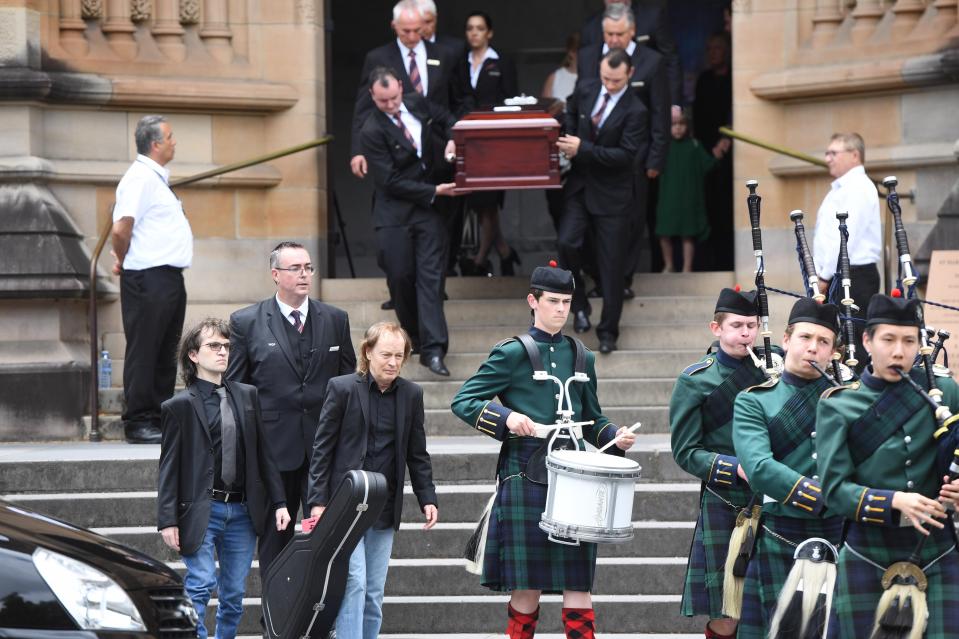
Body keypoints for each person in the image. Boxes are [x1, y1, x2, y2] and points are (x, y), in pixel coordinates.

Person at [450, 263, 637, 639]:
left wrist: (614, 435)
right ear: (533, 301)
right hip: (525, 473)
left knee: (579, 583)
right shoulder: (511, 354)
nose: (561, 309)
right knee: (527, 585)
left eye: (567, 301)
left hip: (577, 477)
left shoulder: (583, 356)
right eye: (553, 301)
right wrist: (506, 417)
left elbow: (593, 418)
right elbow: (464, 400)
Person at [817, 294, 959, 639]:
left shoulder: (945, 391)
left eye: (909, 340)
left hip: (937, 545)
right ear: (867, 341)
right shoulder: (839, 405)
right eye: (889, 340)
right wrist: (893, 501)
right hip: (867, 546)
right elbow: (834, 490)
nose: (899, 351)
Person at [225, 241, 356, 577]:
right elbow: (236, 391)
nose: (304, 274)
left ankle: (319, 623)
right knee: (275, 544)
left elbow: (349, 385)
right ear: (275, 274)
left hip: (324, 452)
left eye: (308, 267)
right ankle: (276, 626)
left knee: (328, 543)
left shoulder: (335, 319)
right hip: (272, 453)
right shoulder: (246, 322)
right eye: (295, 268)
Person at [157, 318, 291, 639]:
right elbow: (169, 466)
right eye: (213, 346)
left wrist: (281, 502)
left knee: (233, 595)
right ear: (193, 355)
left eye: (226, 347)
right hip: (202, 508)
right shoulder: (179, 407)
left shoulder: (247, 396)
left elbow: (264, 455)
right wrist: (167, 519)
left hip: (243, 512)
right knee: (201, 582)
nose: (222, 352)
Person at [308, 321, 438, 639]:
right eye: (385, 355)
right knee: (354, 583)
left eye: (399, 355)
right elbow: (322, 450)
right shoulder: (342, 388)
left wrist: (428, 498)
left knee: (374, 591)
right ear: (368, 352)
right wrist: (317, 502)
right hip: (345, 504)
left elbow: (417, 453)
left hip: (384, 505)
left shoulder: (411, 394)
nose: (393, 362)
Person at [732, 299, 844, 639]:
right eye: (805, 337)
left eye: (823, 342)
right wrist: (828, 495)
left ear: (833, 353)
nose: (813, 347)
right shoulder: (754, 401)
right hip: (781, 528)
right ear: (786, 339)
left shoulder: (849, 401)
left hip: (841, 534)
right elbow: (760, 468)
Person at [669, 287, 767, 639]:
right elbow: (685, 451)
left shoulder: (773, 369)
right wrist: (734, 467)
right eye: (737, 325)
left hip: (774, 496)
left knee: (764, 602)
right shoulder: (695, 380)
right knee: (727, 610)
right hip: (725, 499)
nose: (746, 334)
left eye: (752, 326)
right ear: (716, 329)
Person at [359, 66, 459, 377]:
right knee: (400, 277)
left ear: (401, 88)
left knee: (431, 279)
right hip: (394, 211)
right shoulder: (371, 130)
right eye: (382, 101)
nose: (390, 105)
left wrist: (454, 140)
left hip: (427, 211)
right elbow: (389, 181)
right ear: (373, 98)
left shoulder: (417, 103)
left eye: (393, 98)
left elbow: (451, 120)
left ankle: (434, 350)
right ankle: (414, 335)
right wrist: (434, 190)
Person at [557, 47, 648, 354]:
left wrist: (583, 148)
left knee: (611, 268)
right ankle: (579, 305)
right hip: (580, 186)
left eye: (616, 81)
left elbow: (625, 157)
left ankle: (608, 331)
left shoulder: (636, 110)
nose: (609, 85)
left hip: (613, 194)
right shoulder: (586, 88)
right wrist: (568, 135)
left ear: (629, 75)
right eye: (605, 78)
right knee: (567, 242)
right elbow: (569, 109)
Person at [577, 2, 670, 293]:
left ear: (633, 31)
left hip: (634, 158)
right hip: (593, 156)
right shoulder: (589, 56)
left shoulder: (651, 61)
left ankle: (623, 279)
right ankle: (598, 277)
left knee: (632, 221)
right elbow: (580, 102)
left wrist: (656, 158)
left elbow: (660, 113)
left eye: (619, 34)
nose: (613, 40)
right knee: (589, 222)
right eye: (608, 34)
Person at [111, 114, 192, 444]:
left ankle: (157, 416)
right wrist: (123, 257)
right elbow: (120, 227)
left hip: (168, 276)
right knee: (146, 348)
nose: (174, 142)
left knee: (165, 349)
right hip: (148, 276)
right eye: (170, 137)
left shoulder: (156, 178)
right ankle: (138, 420)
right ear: (156, 144)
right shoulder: (140, 178)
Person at [349, 0, 458, 181]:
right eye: (405, 31)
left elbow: (457, 101)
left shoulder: (444, 55)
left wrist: (456, 137)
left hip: (441, 147)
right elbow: (363, 108)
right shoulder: (377, 58)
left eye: (417, 30)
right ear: (394, 26)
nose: (413, 36)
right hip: (397, 150)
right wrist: (358, 151)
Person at [454, 11, 520, 277]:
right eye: (470, 28)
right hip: (468, 140)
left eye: (480, 28)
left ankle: (481, 259)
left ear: (489, 33)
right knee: (479, 202)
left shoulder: (502, 61)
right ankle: (504, 251)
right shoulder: (460, 62)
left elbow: (512, 100)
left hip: (494, 140)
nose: (474, 33)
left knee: (488, 200)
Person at [813, 132, 881, 374]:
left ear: (854, 155)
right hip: (838, 273)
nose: (827, 158)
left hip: (853, 274)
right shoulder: (842, 187)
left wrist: (823, 277)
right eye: (827, 153)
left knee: (854, 341)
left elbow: (844, 239)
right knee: (840, 338)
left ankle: (858, 390)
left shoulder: (859, 187)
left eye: (834, 153)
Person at [655, 109, 729, 273]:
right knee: (664, 231)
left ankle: (687, 267)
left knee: (687, 233)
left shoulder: (694, 145)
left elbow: (706, 166)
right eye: (674, 125)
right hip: (668, 197)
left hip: (689, 197)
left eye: (681, 124)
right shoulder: (663, 147)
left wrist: (718, 154)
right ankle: (668, 265)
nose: (678, 128)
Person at [579, 0, 682, 111]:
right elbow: (586, 71)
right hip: (602, 107)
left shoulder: (652, 16)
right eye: (609, 34)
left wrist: (673, 104)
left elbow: (671, 59)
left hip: (646, 102)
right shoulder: (591, 26)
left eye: (619, 34)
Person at [692, 32, 734, 272]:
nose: (713, 52)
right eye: (709, 48)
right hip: (707, 155)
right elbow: (699, 120)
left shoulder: (733, 78)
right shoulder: (704, 80)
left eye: (717, 48)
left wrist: (726, 138)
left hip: (730, 153)